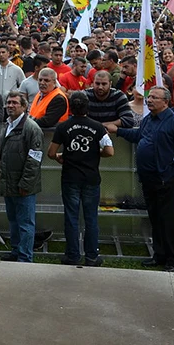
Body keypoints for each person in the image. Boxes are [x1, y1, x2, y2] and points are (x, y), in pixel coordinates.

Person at [107, 87, 174, 272]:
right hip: (148, 179)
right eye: (149, 97)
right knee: (155, 218)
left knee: (168, 220)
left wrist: (171, 175)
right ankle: (159, 255)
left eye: (155, 97)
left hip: (166, 180)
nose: (150, 100)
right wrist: (118, 131)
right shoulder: (149, 120)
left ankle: (173, 259)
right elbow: (138, 136)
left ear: (166, 102)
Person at [48, 92, 114, 266]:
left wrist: (61, 157)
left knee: (71, 217)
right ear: (87, 106)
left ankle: (72, 255)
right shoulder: (98, 127)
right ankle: (92, 256)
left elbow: (51, 153)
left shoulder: (63, 127)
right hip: (91, 178)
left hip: (70, 178)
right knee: (91, 217)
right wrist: (94, 153)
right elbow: (109, 151)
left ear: (70, 106)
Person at [0, 90, 43, 263]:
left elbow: (34, 159)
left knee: (25, 224)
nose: (10, 105)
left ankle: (25, 258)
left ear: (24, 106)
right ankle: (16, 251)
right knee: (13, 221)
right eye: (8, 102)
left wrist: (25, 184)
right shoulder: (6, 125)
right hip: (8, 184)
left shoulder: (31, 128)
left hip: (24, 187)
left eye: (14, 103)